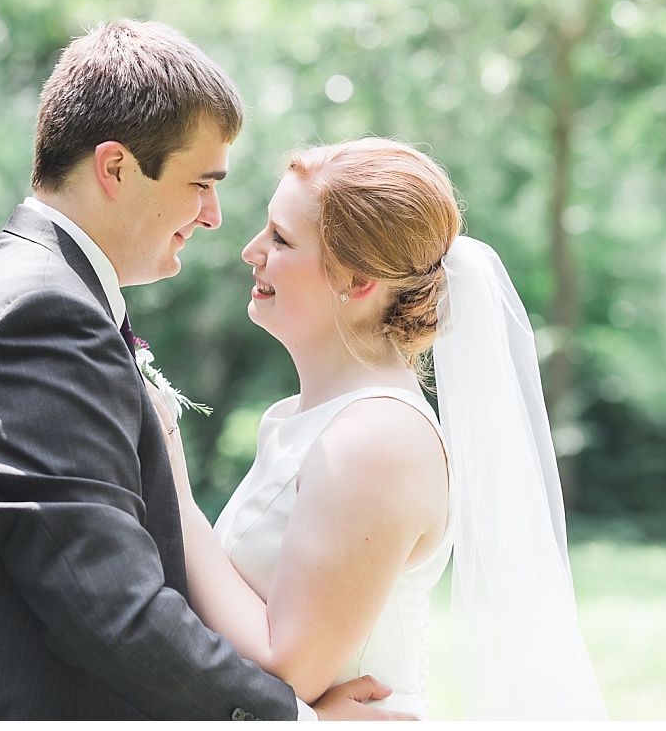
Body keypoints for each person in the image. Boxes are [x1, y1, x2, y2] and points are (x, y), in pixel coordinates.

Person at [0, 20, 409, 721]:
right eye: (201, 183)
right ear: (117, 167)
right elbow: (111, 610)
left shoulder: (33, 284)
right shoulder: (41, 313)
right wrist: (298, 721)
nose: (216, 217)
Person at [155, 137, 608, 720]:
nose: (251, 250)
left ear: (358, 282)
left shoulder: (376, 439)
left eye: (282, 239)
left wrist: (175, 492)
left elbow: (287, 666)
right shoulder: (306, 419)